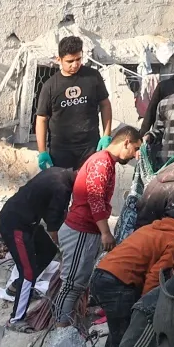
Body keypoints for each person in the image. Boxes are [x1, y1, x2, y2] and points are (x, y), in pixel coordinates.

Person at [88, 195, 174, 347]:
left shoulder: (154, 227)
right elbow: (156, 276)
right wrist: (148, 308)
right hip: (118, 284)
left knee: (117, 334)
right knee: (125, 341)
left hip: (101, 275)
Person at [54, 125, 142, 327]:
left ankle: (66, 325)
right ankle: (60, 330)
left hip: (85, 230)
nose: (135, 155)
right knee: (72, 285)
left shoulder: (105, 161)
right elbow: (95, 199)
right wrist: (105, 232)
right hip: (81, 230)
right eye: (135, 149)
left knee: (76, 284)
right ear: (126, 142)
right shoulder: (102, 162)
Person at [0, 163, 75, 326]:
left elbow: (56, 214)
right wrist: (66, 251)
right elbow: (54, 229)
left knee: (47, 249)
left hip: (27, 221)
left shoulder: (58, 172)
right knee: (28, 272)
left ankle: (18, 286)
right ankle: (16, 319)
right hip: (15, 225)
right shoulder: (62, 188)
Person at [34, 36, 112, 173]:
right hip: (60, 151)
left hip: (90, 147)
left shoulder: (93, 77)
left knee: (89, 191)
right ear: (59, 59)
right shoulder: (50, 86)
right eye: (69, 61)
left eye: (78, 59)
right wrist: (42, 151)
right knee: (60, 191)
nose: (75, 64)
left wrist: (106, 135)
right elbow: (41, 118)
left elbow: (105, 104)